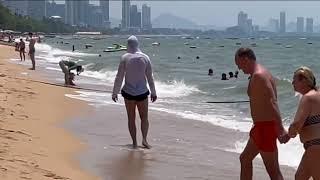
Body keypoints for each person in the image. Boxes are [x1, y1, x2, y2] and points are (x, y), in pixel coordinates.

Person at [234, 47, 289, 180]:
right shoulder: (259, 74)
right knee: (245, 158)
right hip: (260, 127)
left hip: (266, 128)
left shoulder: (259, 75)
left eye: (239, 64)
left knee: (273, 171)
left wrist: (280, 128)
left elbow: (272, 102)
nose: (240, 69)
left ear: (245, 59)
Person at [112, 35, 157, 149]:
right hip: (142, 93)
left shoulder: (125, 57)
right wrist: (153, 92)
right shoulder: (146, 57)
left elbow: (119, 77)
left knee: (131, 118)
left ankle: (134, 143)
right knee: (144, 118)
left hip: (128, 93)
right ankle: (145, 140)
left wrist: (115, 92)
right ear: (138, 44)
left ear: (128, 45)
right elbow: (150, 77)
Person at [288, 66, 320, 179]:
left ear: (304, 80)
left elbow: (297, 125)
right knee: (300, 177)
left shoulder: (308, 98)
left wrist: (289, 134)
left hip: (315, 146)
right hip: (314, 146)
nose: (292, 82)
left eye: (294, 79)